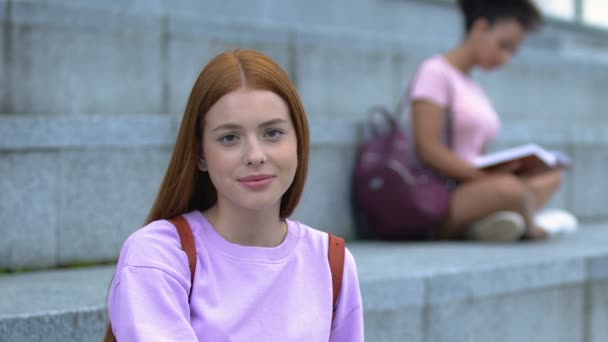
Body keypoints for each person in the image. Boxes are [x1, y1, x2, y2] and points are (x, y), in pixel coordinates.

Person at [106, 49, 364, 340]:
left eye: (272, 133)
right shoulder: (158, 255)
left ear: (299, 142)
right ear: (200, 154)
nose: (255, 155)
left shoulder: (331, 262)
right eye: (230, 138)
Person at [406, 0, 577, 242]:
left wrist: (509, 168)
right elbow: (428, 149)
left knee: (551, 177)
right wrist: (486, 179)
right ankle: (524, 223)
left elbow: (478, 152)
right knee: (510, 190)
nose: (505, 58)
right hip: (443, 192)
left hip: (475, 183)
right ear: (480, 28)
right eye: (503, 45)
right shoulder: (434, 72)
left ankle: (494, 220)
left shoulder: (474, 86)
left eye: (512, 52)